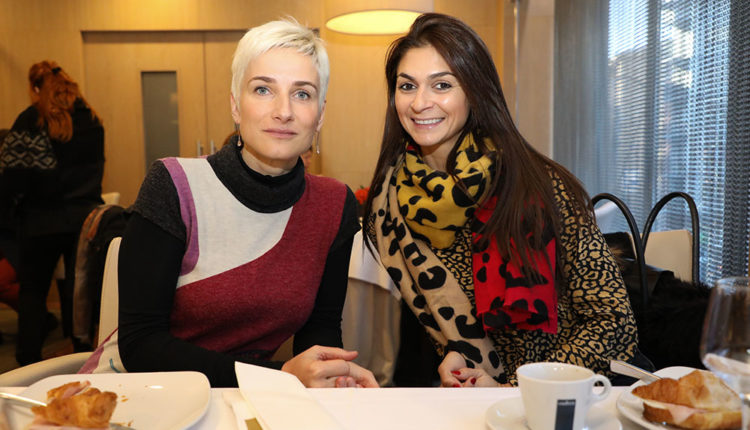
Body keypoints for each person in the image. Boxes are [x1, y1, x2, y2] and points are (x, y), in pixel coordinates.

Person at [81, 18, 378, 389]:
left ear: (320, 114)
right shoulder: (173, 185)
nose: (284, 110)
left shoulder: (334, 204)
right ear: (236, 106)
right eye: (263, 89)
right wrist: (278, 378)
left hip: (246, 397)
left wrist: (328, 378)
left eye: (302, 94)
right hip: (135, 393)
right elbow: (140, 344)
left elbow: (321, 329)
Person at [363, 13, 641, 387]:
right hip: (480, 402)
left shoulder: (542, 186)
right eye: (407, 86)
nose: (419, 103)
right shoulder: (388, 206)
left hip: (573, 397)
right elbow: (444, 327)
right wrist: (455, 357)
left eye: (442, 85)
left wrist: (517, 389)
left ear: (474, 91)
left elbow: (614, 324)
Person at [0, 62, 104, 365]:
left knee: (33, 291)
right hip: (84, 218)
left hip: (41, 220)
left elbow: (13, 176)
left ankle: (28, 360)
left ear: (36, 88)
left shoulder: (31, 120)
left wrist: (11, 210)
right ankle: (81, 356)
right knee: (79, 290)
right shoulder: (91, 118)